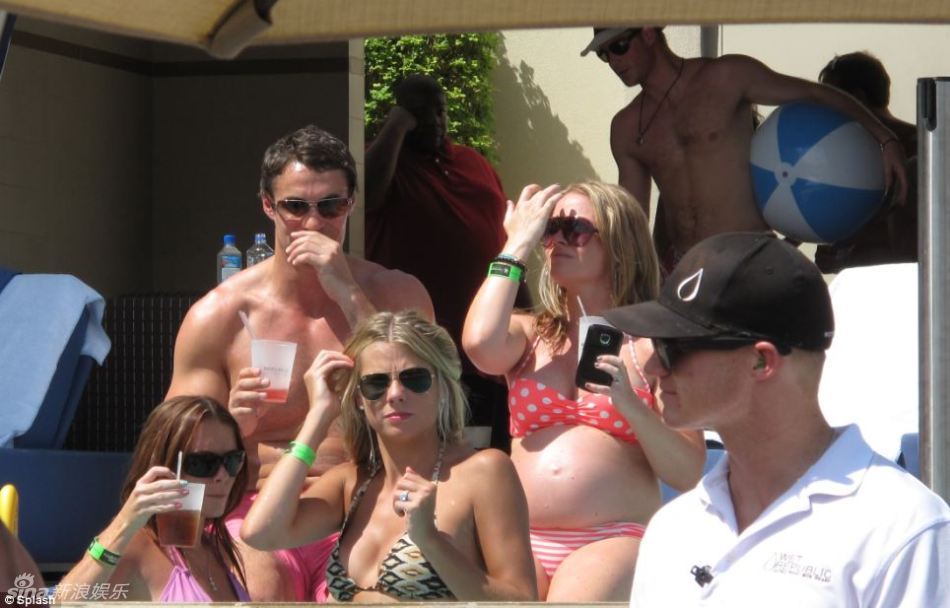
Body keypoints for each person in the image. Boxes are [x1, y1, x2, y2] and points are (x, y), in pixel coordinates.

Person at [598, 232, 950, 606]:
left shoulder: (904, 527)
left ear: (761, 361)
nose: (653, 366)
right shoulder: (673, 528)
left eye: (673, 348)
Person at [165, 124, 434, 600]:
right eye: (296, 206)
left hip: (366, 500)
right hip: (258, 509)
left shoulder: (396, 294)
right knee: (262, 588)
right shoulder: (222, 315)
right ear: (268, 206)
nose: (313, 223)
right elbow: (172, 450)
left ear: (351, 205)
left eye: (331, 206)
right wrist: (234, 425)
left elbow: (432, 399)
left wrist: (348, 292)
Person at [462, 181, 706, 601]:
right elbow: (479, 344)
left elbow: (688, 473)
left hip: (611, 536)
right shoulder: (529, 334)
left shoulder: (653, 348)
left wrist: (631, 406)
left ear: (619, 243)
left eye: (574, 229)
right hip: (519, 533)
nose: (557, 240)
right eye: (549, 229)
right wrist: (516, 246)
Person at [240, 310, 537, 602]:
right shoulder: (353, 483)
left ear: (443, 387)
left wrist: (430, 540)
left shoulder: (483, 472)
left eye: (415, 379)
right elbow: (260, 533)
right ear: (359, 398)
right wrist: (318, 416)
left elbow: (522, 601)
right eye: (376, 383)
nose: (395, 393)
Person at [581, 27, 908, 272]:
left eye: (619, 46)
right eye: (604, 54)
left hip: (750, 258)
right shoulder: (626, 127)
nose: (613, 61)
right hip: (683, 269)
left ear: (649, 33)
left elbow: (815, 94)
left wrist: (886, 139)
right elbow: (631, 222)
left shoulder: (727, 77)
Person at [365, 74, 527, 451]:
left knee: (486, 453)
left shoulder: (473, 162)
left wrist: (525, 312)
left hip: (486, 353)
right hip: (424, 360)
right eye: (420, 113)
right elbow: (366, 195)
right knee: (437, 458)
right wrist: (397, 127)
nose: (434, 121)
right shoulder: (387, 163)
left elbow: (505, 241)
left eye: (440, 111)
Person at [55, 396, 251, 602]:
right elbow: (63, 603)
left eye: (232, 460)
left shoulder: (217, 547)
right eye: (203, 463)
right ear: (164, 465)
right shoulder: (137, 546)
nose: (222, 475)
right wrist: (125, 523)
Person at [815, 51, 918, 273]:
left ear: (857, 99)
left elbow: (908, 239)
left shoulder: (919, 151)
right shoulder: (924, 144)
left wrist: (847, 256)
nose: (825, 109)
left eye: (832, 99)